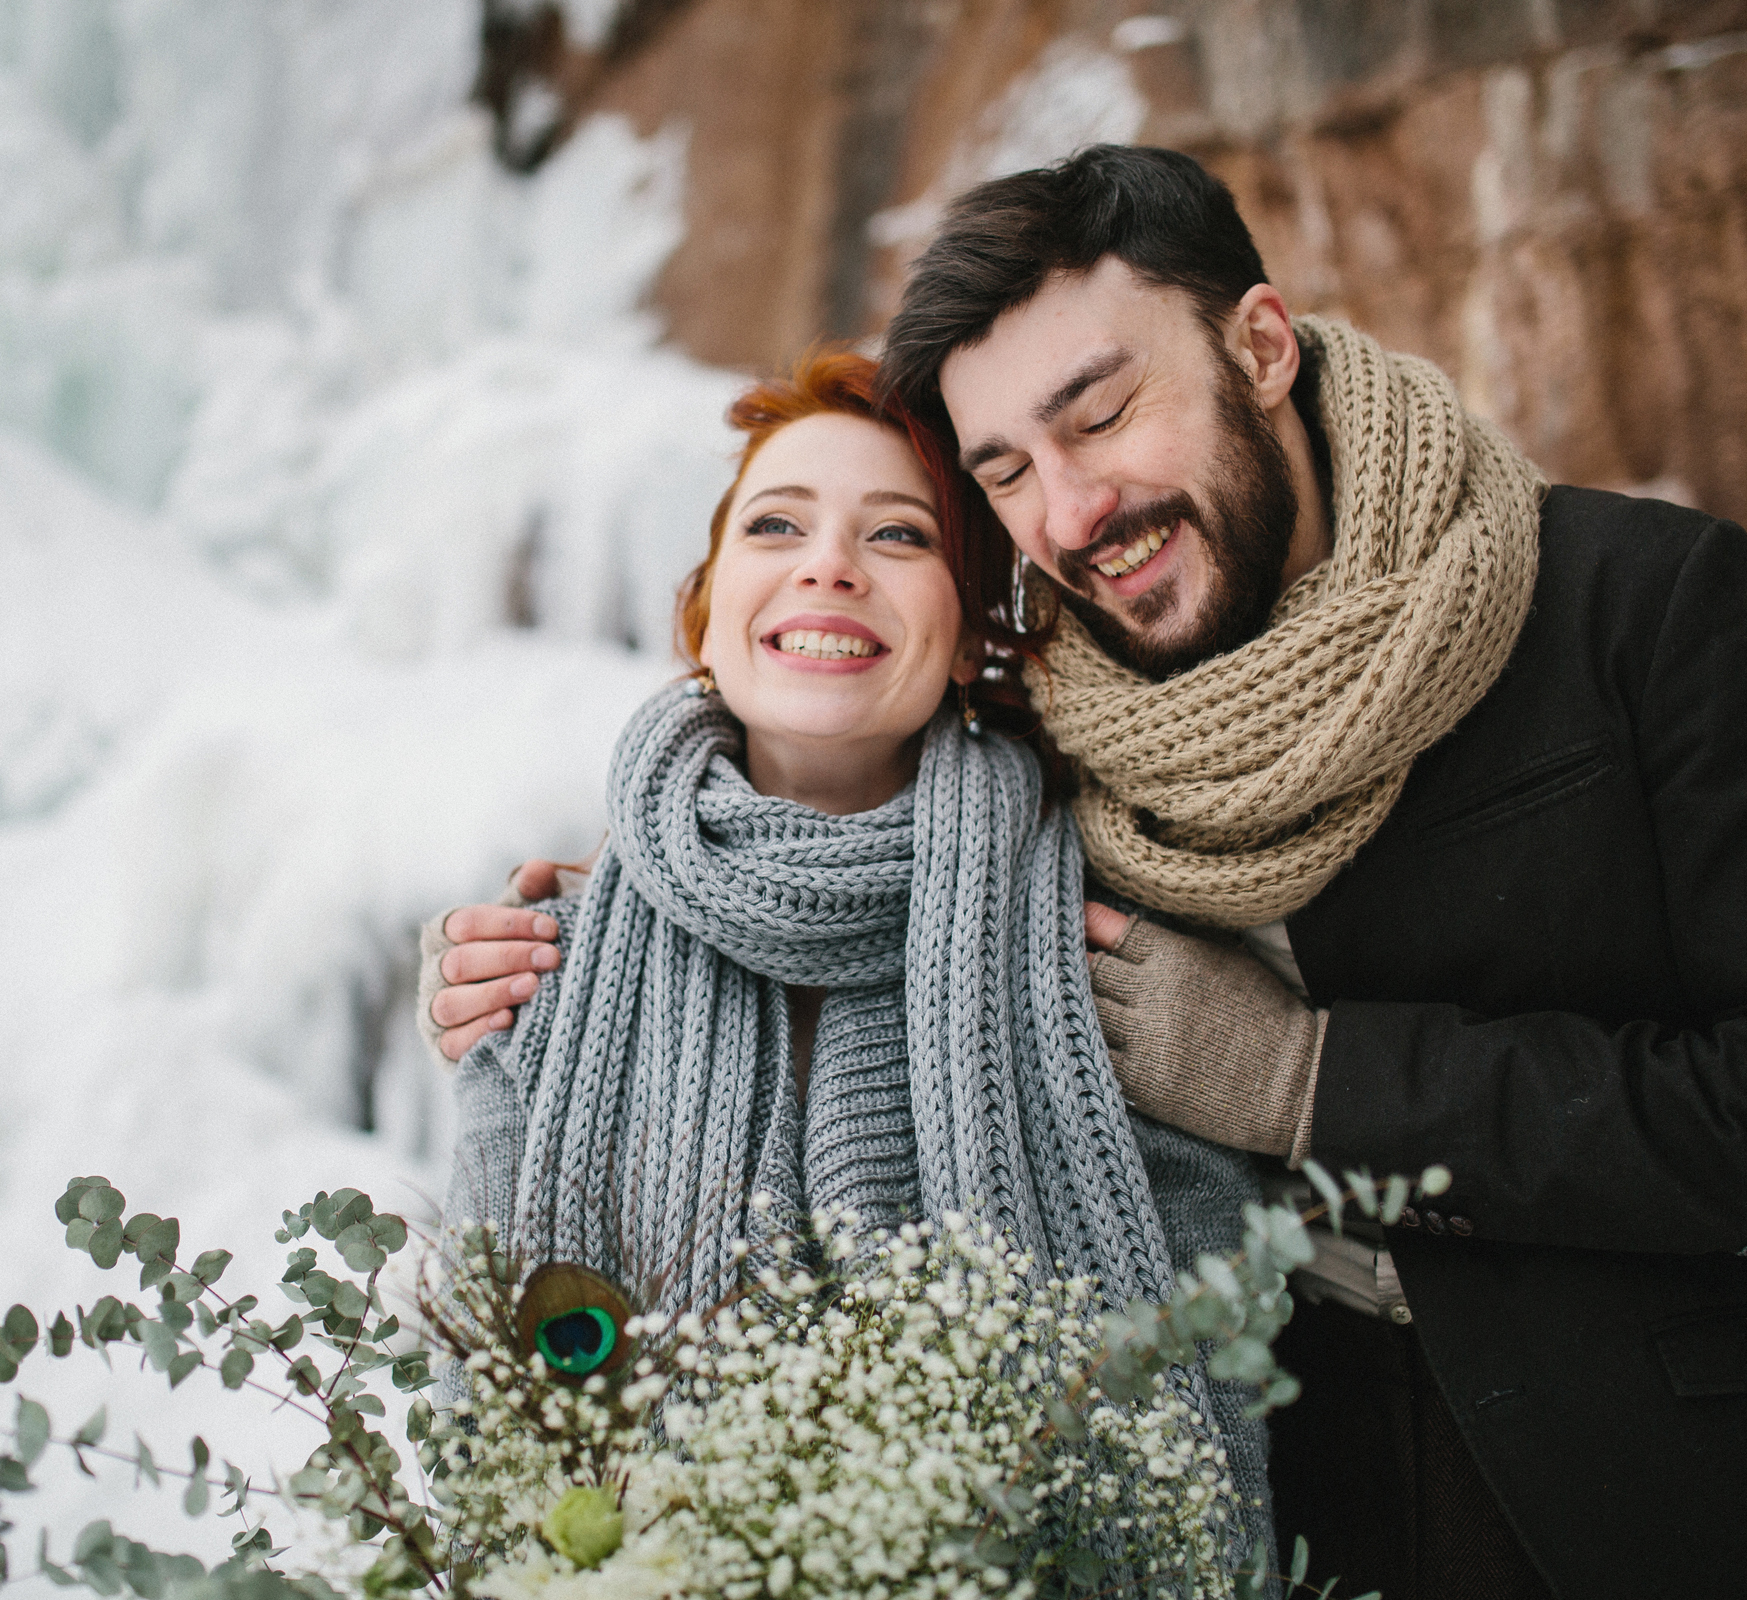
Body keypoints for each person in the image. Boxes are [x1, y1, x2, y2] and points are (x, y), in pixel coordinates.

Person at [428, 147, 1747, 1599]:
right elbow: (835, 827)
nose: (1071, 514)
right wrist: (630, 916)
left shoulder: (1638, 614)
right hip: (1292, 1496)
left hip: (1673, 1495)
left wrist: (1309, 1084)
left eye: (1103, 413)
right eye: (1005, 472)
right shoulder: (1063, 734)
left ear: (1259, 345)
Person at [436, 349, 1276, 1567]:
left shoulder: (1110, 970)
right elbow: (481, 1451)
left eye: (899, 536)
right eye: (777, 524)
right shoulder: (543, 982)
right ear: (707, 609)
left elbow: (1214, 1440)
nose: (829, 563)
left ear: (976, 631)